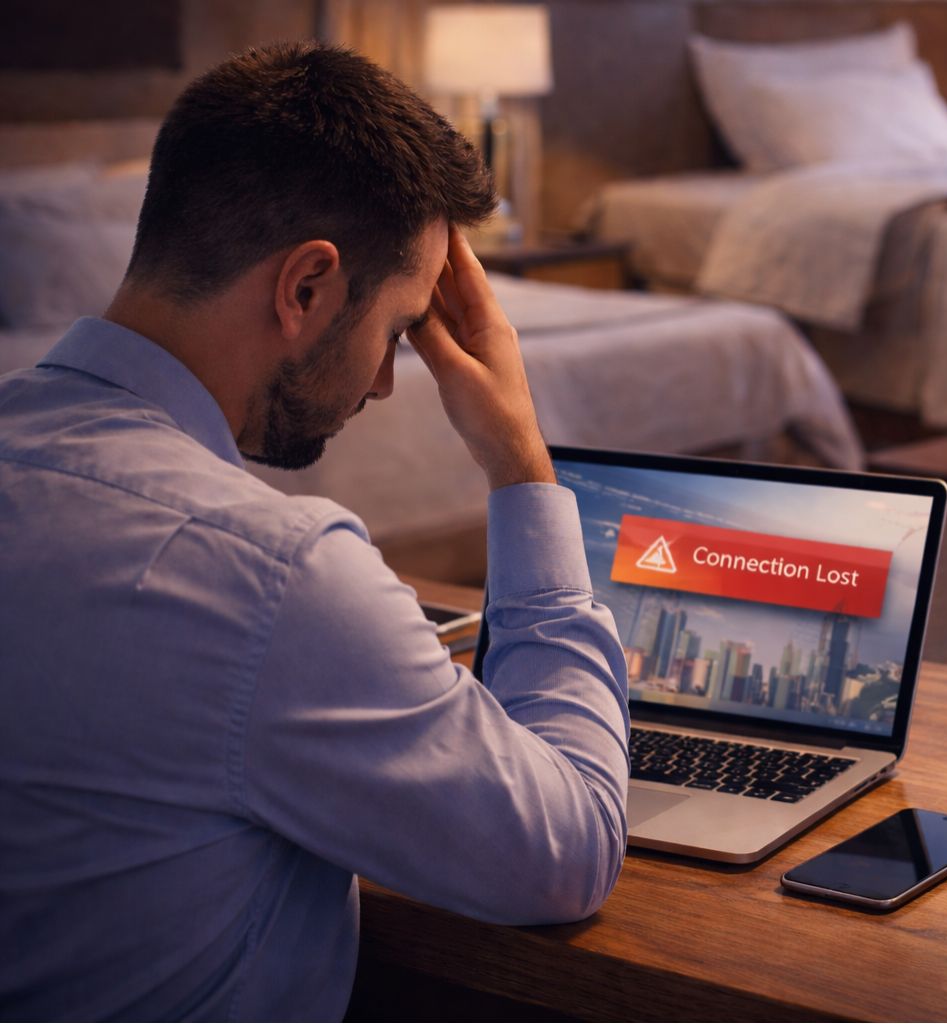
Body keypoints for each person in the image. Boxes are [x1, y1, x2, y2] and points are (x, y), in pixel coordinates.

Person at [0, 44, 629, 1019]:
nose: (385, 381)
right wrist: (522, 465)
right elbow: (570, 848)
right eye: (400, 327)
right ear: (306, 288)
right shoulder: (274, 579)